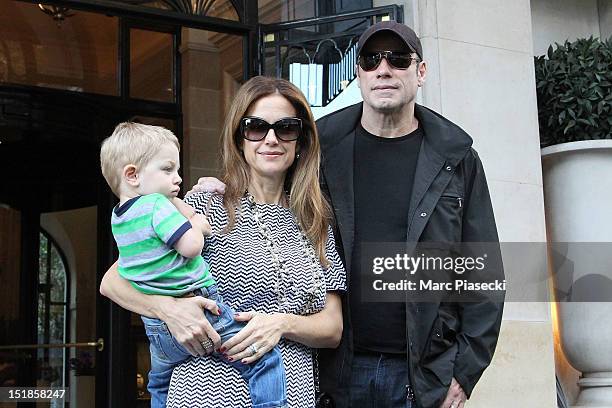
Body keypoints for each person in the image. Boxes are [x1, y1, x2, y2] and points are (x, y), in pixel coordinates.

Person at [192, 21, 505, 408]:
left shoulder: (456, 159)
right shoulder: (322, 150)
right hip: (334, 374)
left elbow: (483, 275)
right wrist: (215, 191)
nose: (384, 69)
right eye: (371, 60)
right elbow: (264, 177)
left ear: (420, 72)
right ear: (358, 74)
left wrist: (463, 373)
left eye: (398, 59)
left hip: (422, 375)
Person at [99, 76, 346, 408]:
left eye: (286, 127)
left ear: (301, 140)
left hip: (294, 395)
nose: (271, 139)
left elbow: (332, 328)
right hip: (208, 392)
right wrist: (170, 311)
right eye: (256, 127)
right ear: (239, 137)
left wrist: (280, 324)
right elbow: (114, 280)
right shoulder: (204, 204)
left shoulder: (315, 220)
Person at [99, 122, 288, 408]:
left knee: (159, 381)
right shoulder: (155, 206)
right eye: (167, 169)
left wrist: (190, 198)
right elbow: (192, 246)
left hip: (157, 331)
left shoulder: (120, 217)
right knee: (264, 361)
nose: (177, 178)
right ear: (133, 174)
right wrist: (197, 223)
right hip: (201, 311)